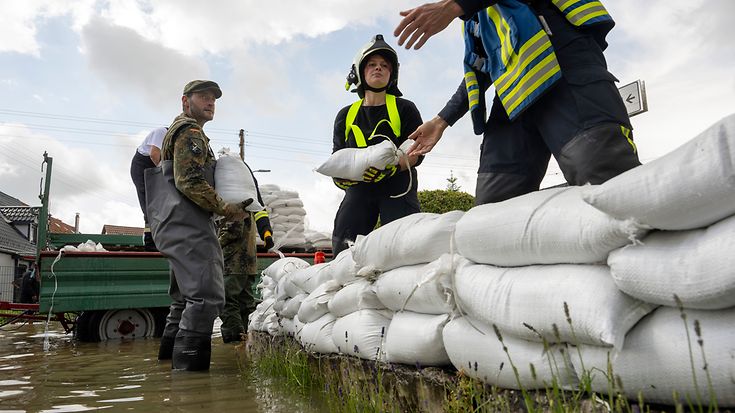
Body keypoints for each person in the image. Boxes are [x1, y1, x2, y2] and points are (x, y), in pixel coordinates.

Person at [394, 0, 641, 205]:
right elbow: (481, 68)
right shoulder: (479, 17)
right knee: (493, 209)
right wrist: (441, 121)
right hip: (514, 97)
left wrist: (453, 6)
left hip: (563, 65)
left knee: (605, 180)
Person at [145, 80, 251, 371]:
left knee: (182, 301)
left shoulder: (176, 131)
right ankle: (190, 387)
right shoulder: (190, 132)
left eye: (213, 98)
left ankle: (168, 377)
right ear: (185, 101)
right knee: (207, 297)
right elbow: (188, 181)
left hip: (171, 223)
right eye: (203, 96)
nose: (210, 101)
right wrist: (227, 209)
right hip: (188, 224)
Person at [331, 34, 424, 255]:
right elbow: (337, 157)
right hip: (358, 190)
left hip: (398, 188)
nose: (378, 69)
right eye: (371, 65)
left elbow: (416, 151)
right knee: (344, 248)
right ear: (360, 73)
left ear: (392, 74)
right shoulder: (345, 115)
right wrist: (340, 178)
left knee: (405, 248)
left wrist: (393, 168)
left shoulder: (405, 109)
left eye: (384, 65)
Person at [217, 165, 274, 343]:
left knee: (227, 299)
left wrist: (214, 245)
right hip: (247, 260)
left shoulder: (234, 201)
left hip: (233, 260)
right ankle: (249, 340)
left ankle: (235, 341)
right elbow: (260, 211)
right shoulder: (247, 196)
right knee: (245, 302)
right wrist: (266, 233)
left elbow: (233, 230)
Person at [130, 126, 167, 251]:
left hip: (154, 168)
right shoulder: (162, 132)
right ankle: (150, 244)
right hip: (142, 166)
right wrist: (166, 176)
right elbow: (154, 154)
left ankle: (160, 239)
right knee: (149, 205)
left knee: (160, 205)